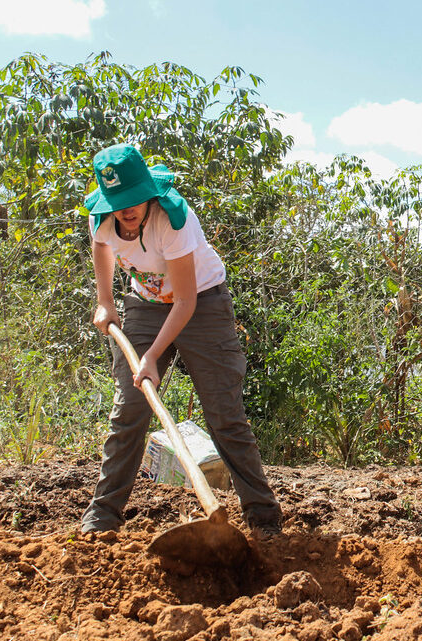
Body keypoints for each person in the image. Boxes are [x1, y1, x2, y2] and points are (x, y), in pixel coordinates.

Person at [80, 143, 283, 535]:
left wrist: (152, 356)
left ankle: (262, 515)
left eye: (136, 198)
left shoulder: (173, 218)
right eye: (120, 200)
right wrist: (106, 301)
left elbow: (186, 299)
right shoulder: (101, 217)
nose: (128, 208)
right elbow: (101, 247)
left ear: (148, 192)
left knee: (224, 414)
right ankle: (103, 515)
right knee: (129, 411)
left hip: (201, 303)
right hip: (145, 305)